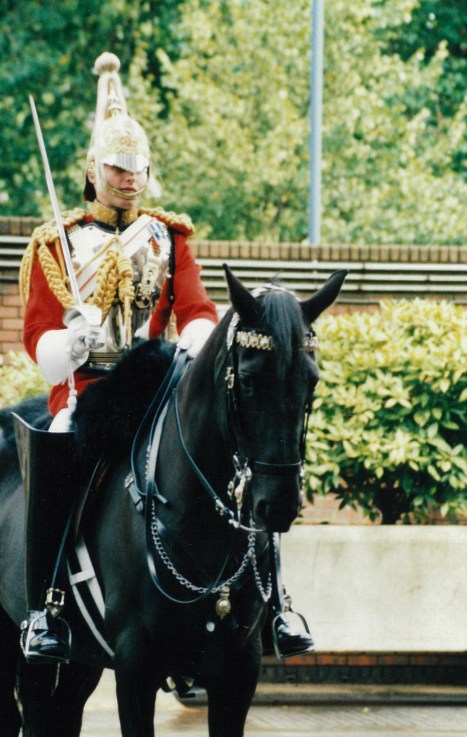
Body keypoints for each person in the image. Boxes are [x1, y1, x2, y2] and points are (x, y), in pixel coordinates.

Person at [17, 52, 312, 665]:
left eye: (138, 167)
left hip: (157, 382)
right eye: (118, 167)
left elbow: (199, 308)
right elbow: (39, 336)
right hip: (89, 391)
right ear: (92, 171)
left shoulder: (166, 236)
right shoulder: (58, 244)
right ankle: (45, 608)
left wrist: (194, 342)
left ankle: (273, 600)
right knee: (57, 448)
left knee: (238, 458)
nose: (130, 177)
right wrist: (72, 341)